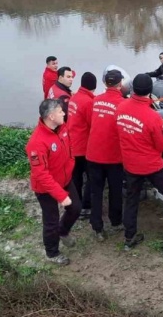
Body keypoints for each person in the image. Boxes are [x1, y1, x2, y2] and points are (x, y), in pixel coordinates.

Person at [116, 73, 163, 253]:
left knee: (131, 199)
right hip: (152, 165)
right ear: (149, 92)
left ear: (133, 90)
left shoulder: (121, 108)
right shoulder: (153, 117)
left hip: (130, 164)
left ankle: (129, 237)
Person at [26, 99, 81, 266]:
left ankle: (63, 231)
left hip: (64, 179)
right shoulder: (37, 143)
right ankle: (52, 253)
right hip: (45, 188)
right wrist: (61, 196)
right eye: (60, 111)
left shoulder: (62, 128)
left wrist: (70, 165)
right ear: (51, 116)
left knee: (76, 208)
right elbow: (41, 174)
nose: (64, 113)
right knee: (51, 220)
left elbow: (69, 150)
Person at [85, 69, 125, 241]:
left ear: (105, 84)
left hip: (93, 153)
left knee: (96, 191)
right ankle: (115, 222)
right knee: (116, 190)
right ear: (120, 84)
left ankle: (97, 227)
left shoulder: (95, 101)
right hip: (113, 156)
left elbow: (91, 122)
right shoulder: (123, 104)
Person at [67, 72, 96, 220]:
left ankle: (75, 205)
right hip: (84, 147)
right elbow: (93, 124)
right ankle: (86, 206)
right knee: (91, 177)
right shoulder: (88, 102)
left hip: (72, 144)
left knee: (76, 177)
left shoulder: (74, 98)